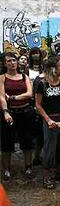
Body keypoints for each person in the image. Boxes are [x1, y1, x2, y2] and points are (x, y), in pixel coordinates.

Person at [35, 56, 60, 189]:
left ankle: (59, 171)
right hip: (50, 119)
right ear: (52, 68)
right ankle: (47, 176)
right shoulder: (42, 83)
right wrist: (48, 120)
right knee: (49, 148)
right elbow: (38, 105)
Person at [0, 52, 35, 180]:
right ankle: (7, 169)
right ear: (4, 64)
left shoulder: (24, 76)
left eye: (14, 60)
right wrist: (5, 111)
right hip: (10, 112)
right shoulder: (2, 78)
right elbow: (2, 96)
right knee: (7, 142)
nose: (12, 63)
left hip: (25, 111)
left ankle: (28, 166)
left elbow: (29, 94)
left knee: (27, 141)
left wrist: (14, 97)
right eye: (8, 61)